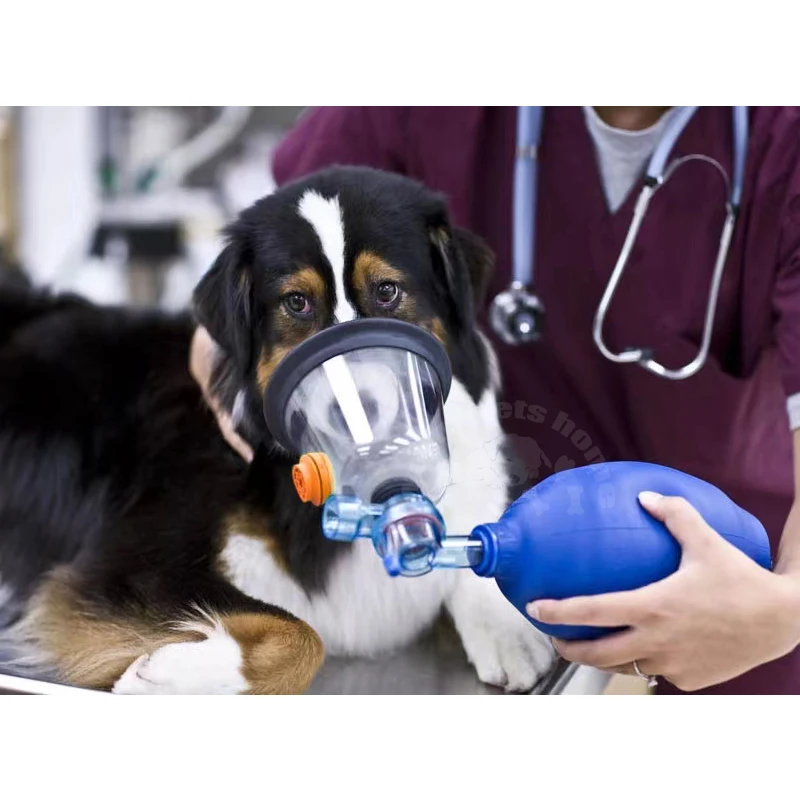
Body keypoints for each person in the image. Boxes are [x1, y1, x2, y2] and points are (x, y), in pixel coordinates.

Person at [193, 107, 800, 694]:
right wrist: (236, 365)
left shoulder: (784, 138)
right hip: (504, 566)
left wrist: (783, 610)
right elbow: (284, 246)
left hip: (738, 580)